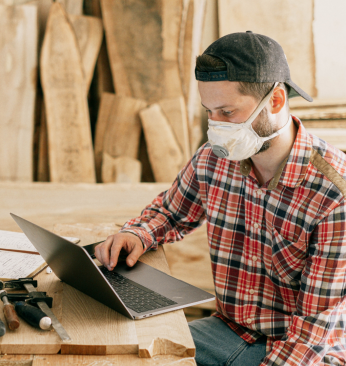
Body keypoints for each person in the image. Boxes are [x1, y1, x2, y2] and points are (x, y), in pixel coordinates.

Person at [94, 31, 346, 366]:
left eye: (226, 112)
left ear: (275, 101)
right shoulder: (215, 159)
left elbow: (312, 332)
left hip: (306, 351)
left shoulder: (333, 193)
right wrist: (136, 234)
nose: (216, 126)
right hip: (229, 330)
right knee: (127, 355)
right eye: (208, 111)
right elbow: (170, 213)